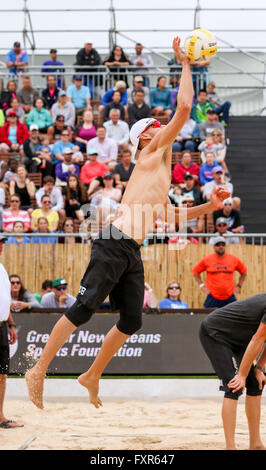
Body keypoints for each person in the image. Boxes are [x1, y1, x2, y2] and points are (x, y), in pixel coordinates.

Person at [25, 36, 230, 410]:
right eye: (157, 124)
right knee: (83, 310)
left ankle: (91, 375)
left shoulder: (159, 172)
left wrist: (209, 206)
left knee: (132, 320)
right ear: (146, 135)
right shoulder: (151, 152)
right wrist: (185, 63)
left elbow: (172, 215)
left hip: (130, 247)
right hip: (113, 240)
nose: (163, 125)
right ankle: (38, 369)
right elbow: (184, 107)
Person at [200, 294, 266, 450]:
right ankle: (230, 447)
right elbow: (258, 338)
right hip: (216, 333)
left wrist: (260, 368)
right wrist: (241, 375)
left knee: (256, 383)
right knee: (234, 386)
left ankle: (255, 443)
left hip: (241, 339)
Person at [0, 235, 23, 429]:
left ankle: (0, 416)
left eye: (1, 242)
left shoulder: (2, 269)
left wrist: (11, 324)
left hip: (2, 326)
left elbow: (4, 301)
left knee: (1, 373)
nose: (1, 246)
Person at [192, 236, 247, 308]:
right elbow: (195, 271)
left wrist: (238, 286)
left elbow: (244, 272)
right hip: (212, 296)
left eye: (223, 244)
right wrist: (202, 286)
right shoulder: (207, 259)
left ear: (225, 246)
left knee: (233, 317)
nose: (220, 247)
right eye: (218, 245)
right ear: (214, 247)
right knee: (207, 317)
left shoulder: (233, 259)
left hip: (229, 296)